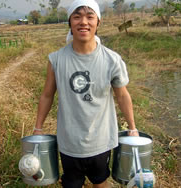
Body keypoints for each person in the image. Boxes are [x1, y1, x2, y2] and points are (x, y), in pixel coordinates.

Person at [33, 0, 138, 187]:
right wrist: (38, 128)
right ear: (70, 23)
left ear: (98, 22)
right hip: (69, 142)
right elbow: (47, 95)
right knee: (72, 183)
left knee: (100, 181)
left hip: (101, 140)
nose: (83, 22)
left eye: (90, 17)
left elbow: (122, 95)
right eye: (77, 17)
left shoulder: (111, 60)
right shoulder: (56, 60)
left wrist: (132, 127)